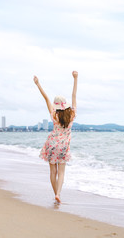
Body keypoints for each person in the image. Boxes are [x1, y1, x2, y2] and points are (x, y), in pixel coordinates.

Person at [33, 71, 78, 203]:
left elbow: (46, 98)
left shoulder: (54, 114)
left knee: (53, 172)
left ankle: (56, 195)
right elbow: (74, 94)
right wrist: (75, 78)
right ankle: (58, 193)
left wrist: (38, 84)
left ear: (56, 105)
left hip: (52, 144)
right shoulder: (72, 114)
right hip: (64, 146)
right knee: (62, 172)